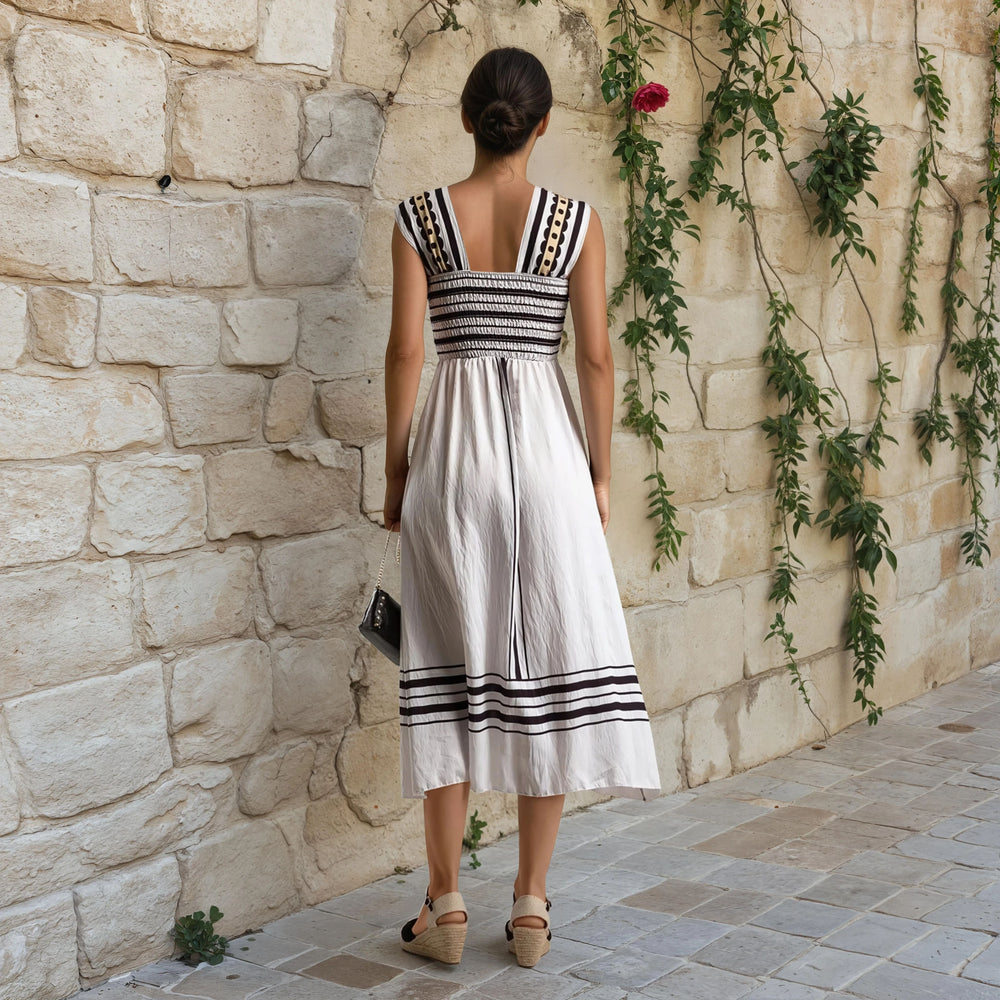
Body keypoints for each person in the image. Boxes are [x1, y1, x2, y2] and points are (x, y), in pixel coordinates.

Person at [382, 46, 661, 969]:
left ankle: (445, 904)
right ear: (543, 125)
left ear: (468, 118)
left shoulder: (420, 218)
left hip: (451, 459)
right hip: (548, 461)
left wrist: (396, 471)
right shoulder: (577, 223)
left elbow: (406, 354)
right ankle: (532, 906)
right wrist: (601, 475)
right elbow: (596, 358)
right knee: (554, 663)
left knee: (446, 669)